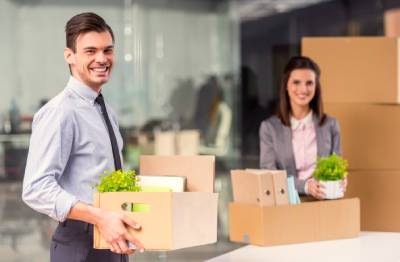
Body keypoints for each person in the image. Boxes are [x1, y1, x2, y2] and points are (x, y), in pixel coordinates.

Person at [22, 12, 144, 262]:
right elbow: (36, 188)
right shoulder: (60, 112)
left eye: (108, 50)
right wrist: (99, 217)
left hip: (112, 237)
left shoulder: (105, 110)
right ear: (70, 56)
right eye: (90, 51)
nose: (102, 59)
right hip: (81, 245)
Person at [259, 56, 347, 200]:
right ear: (286, 85)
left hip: (323, 203)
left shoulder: (331, 124)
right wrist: (305, 186)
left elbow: (337, 165)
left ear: (316, 87)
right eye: (296, 82)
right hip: (286, 204)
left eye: (309, 83)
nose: (303, 89)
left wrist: (340, 178)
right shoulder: (269, 128)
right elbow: (269, 175)